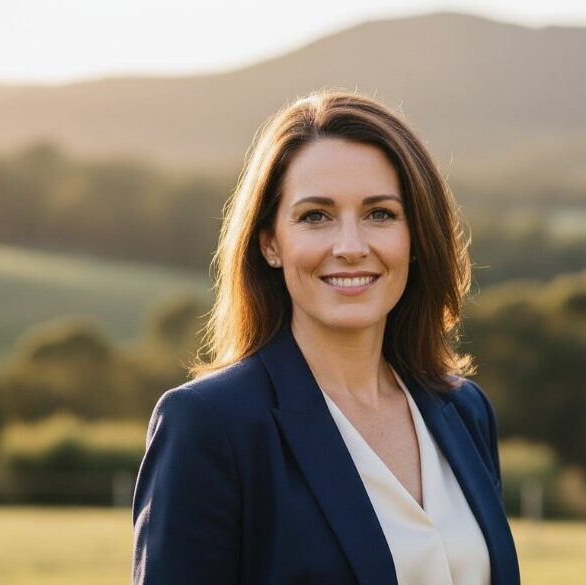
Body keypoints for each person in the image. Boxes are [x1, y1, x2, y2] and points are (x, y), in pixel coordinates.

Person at [131, 89, 520, 585]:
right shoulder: (210, 425)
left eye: (380, 214)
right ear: (270, 242)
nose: (351, 247)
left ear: (416, 236)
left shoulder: (465, 410)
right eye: (315, 216)